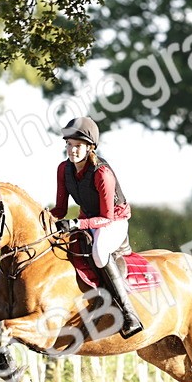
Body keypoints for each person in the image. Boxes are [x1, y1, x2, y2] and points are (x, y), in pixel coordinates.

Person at [51, 116, 144, 338]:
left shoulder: (102, 173)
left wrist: (76, 223)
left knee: (99, 252)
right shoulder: (63, 169)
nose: (72, 151)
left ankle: (129, 314)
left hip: (114, 220)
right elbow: (60, 210)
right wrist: (41, 218)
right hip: (88, 219)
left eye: (78, 146)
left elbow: (106, 217)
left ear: (90, 147)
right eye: (69, 145)